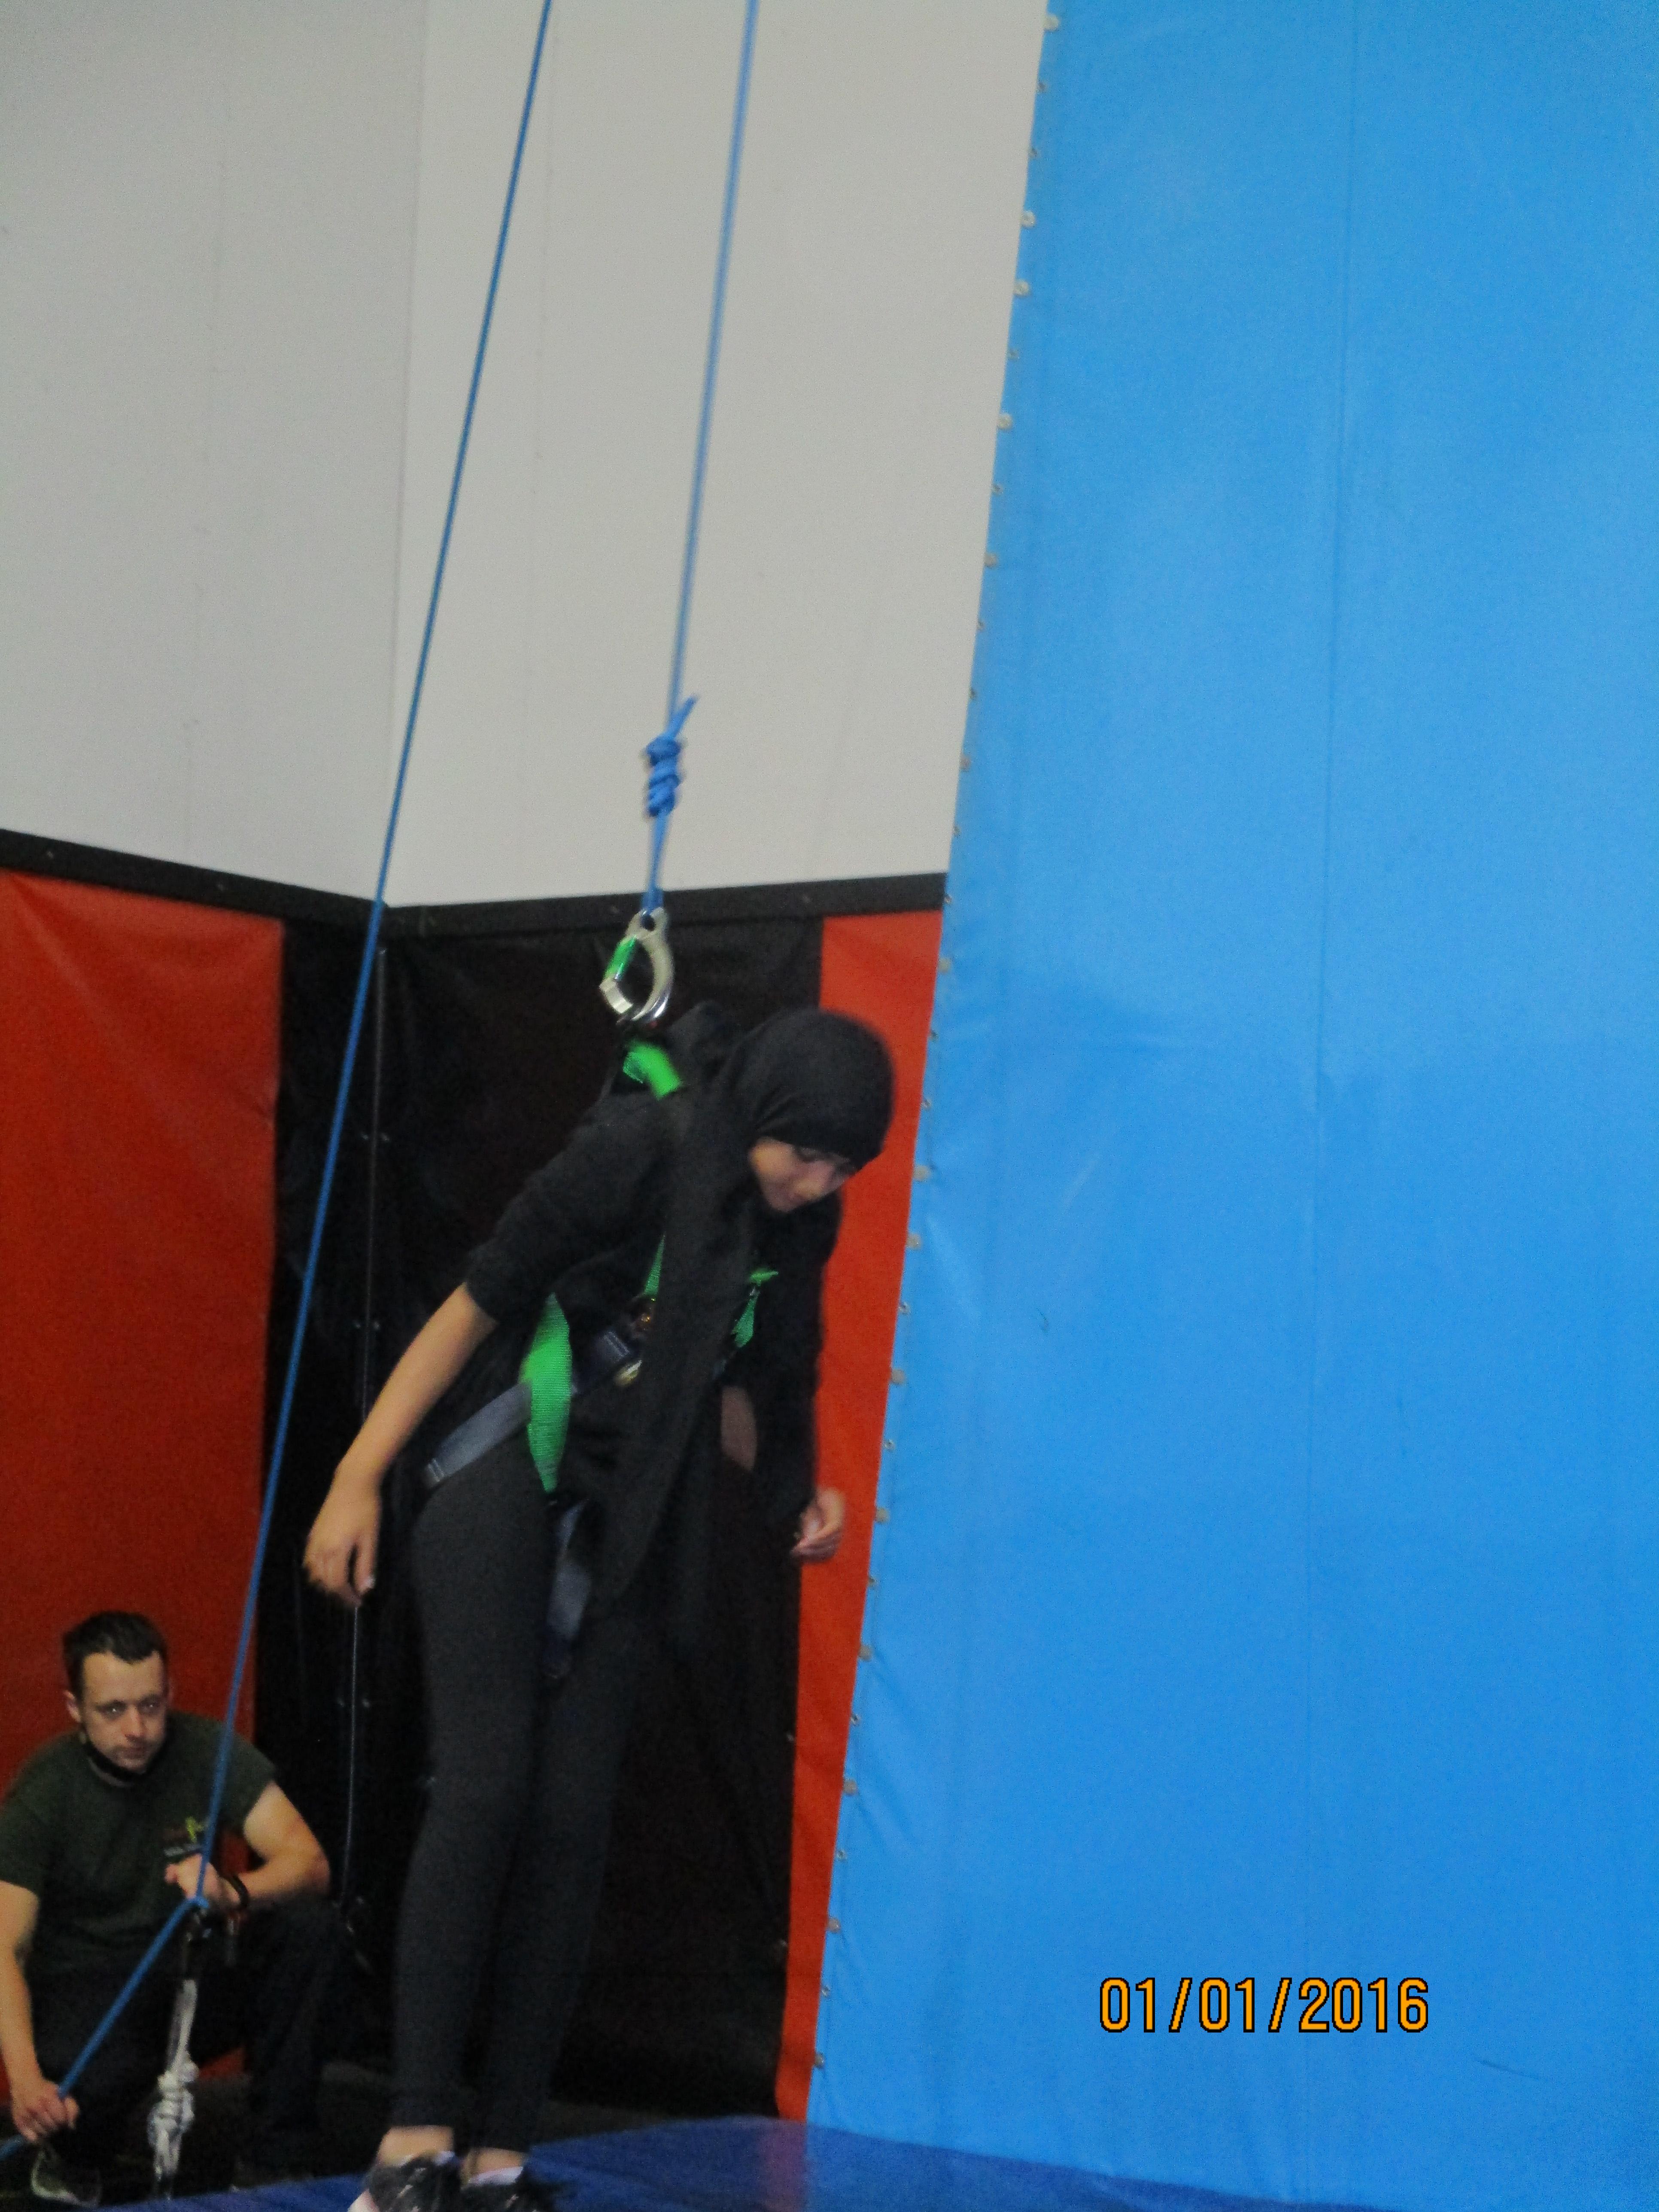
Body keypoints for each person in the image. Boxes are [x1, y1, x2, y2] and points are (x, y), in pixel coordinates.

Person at [304, 1004, 894, 2212]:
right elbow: (475, 1301)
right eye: (806, 1155)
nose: (817, 1183)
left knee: (572, 1822)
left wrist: (799, 1492)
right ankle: (413, 2140)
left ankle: (500, 2154)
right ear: (763, 1115)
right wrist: (357, 1475)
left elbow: (758, 1386)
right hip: (511, 1454)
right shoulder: (643, 1149)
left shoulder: (799, 1220)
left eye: (842, 1168)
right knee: (486, 1787)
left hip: (634, 1506)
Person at [0, 1613, 346, 2206]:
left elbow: (310, 1864)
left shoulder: (208, 1749)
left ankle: (277, 2161)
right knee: (78, 2110)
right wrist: (27, 2081)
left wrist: (233, 1891)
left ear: (170, 1694)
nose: (136, 1728)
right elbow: (5, 1945)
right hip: (91, 1990)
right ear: (75, 1708)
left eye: (151, 1705)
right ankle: (75, 2158)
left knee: (309, 1929)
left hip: (189, 1972)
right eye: (113, 1710)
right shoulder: (45, 1790)